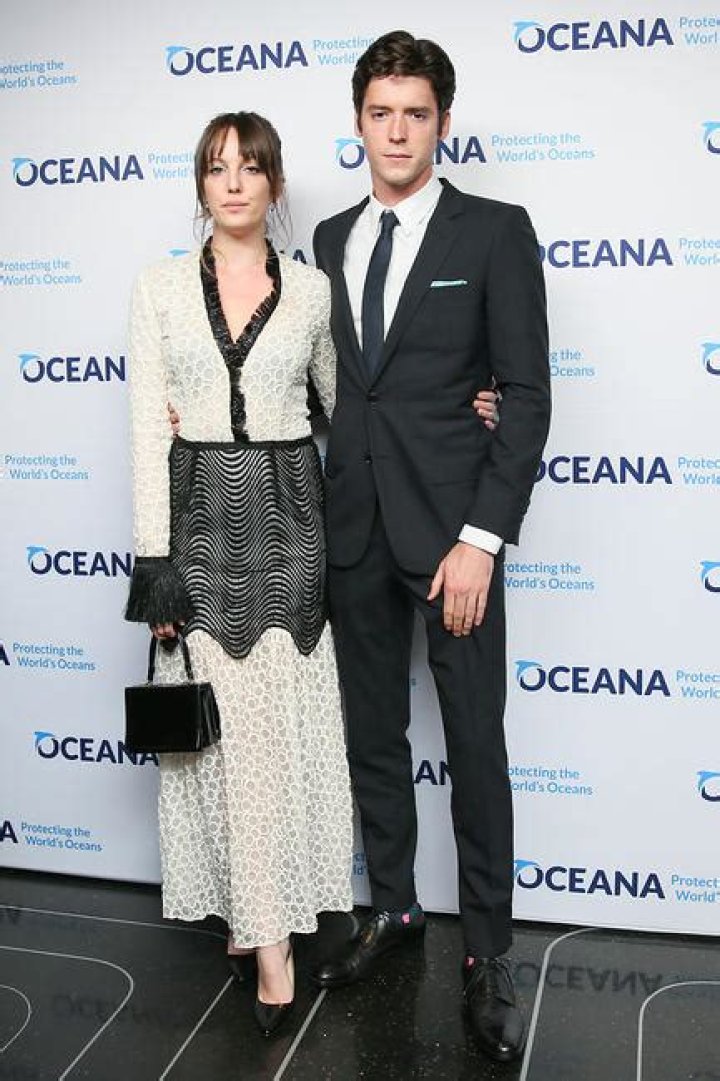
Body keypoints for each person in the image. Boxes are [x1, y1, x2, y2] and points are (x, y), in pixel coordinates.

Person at [311, 31, 551, 1063]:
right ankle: (395, 906)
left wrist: (482, 540)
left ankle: (488, 951)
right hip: (354, 531)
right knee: (372, 734)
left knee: (474, 743)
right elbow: (324, 381)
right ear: (359, 121)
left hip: (455, 540)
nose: (398, 131)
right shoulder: (328, 239)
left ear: (443, 122)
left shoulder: (494, 231)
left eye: (416, 113)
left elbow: (526, 396)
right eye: (381, 113)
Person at [124, 111, 355, 1036]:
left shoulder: (313, 291)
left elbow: (349, 405)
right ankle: (256, 923)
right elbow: (147, 427)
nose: (232, 183)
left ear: (274, 184)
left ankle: (268, 938)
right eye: (216, 168)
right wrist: (154, 564)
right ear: (200, 184)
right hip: (200, 531)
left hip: (293, 527)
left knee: (272, 742)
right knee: (223, 747)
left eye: (249, 168)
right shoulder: (157, 288)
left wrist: (458, 408)